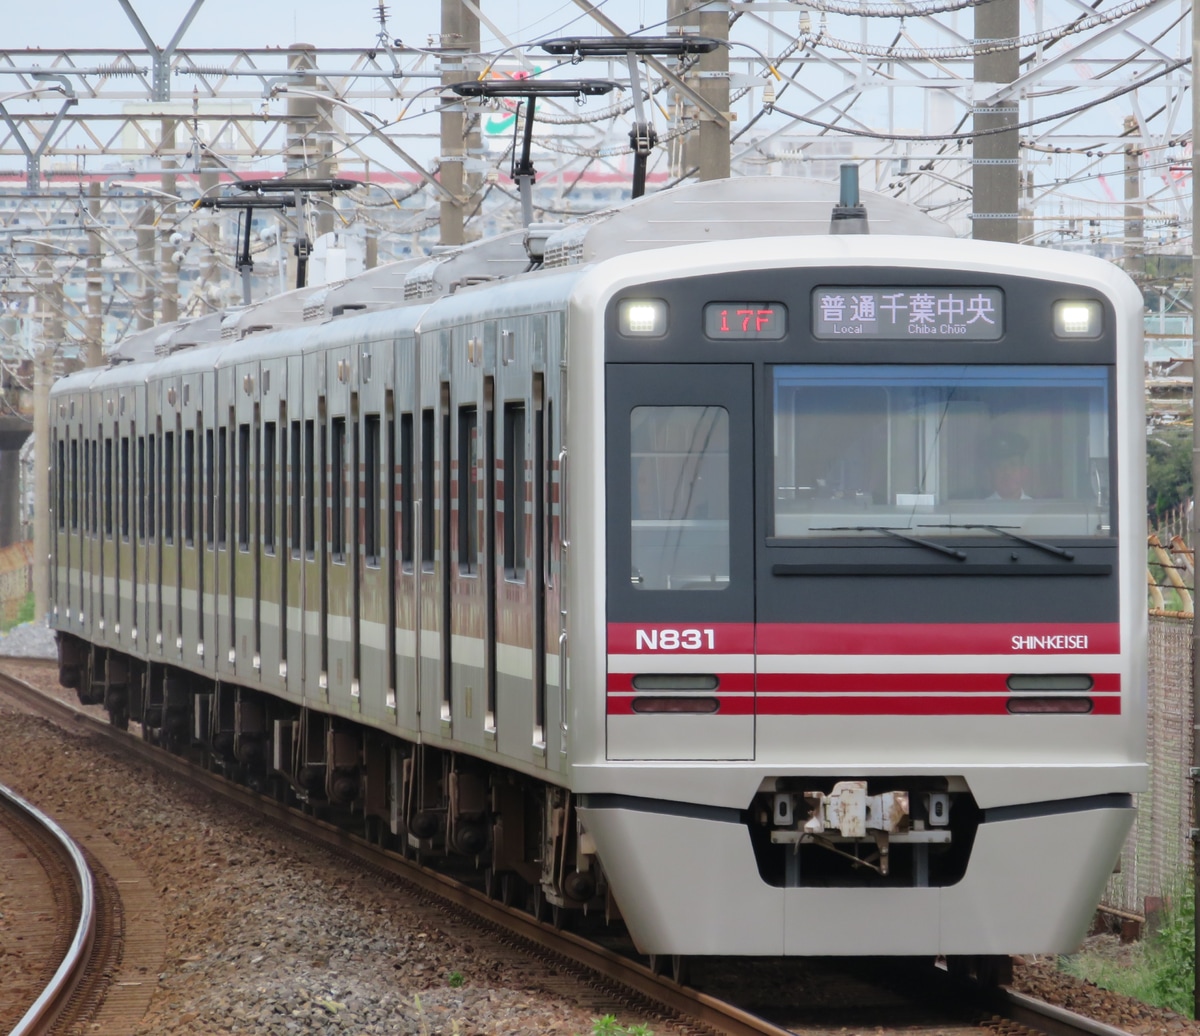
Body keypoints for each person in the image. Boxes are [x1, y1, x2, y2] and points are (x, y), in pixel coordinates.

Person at [986, 432, 1033, 500]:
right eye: (1000, 466)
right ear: (991, 473)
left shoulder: (1036, 508)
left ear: (1024, 471)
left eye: (1013, 464)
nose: (1007, 472)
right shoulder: (980, 508)